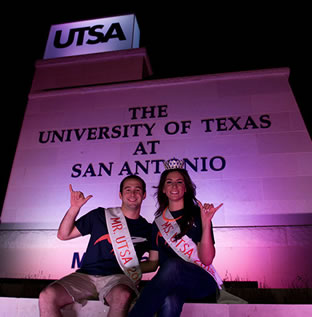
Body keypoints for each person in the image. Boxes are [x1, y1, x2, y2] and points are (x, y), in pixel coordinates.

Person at [39, 175, 152, 317]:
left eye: (137, 190)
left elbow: (153, 263)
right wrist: (74, 208)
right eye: (127, 189)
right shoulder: (100, 215)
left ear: (144, 195)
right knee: (47, 295)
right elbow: (63, 235)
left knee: (123, 296)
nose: (132, 194)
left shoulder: (148, 229)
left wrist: (133, 270)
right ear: (120, 194)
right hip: (85, 276)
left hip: (118, 279)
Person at [128, 158, 223, 317]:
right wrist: (128, 269)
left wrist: (206, 223)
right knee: (170, 301)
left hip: (200, 281)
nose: (174, 186)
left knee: (173, 265)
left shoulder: (198, 216)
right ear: (163, 189)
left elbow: (206, 260)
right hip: (172, 286)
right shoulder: (158, 224)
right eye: (169, 182)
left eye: (179, 182)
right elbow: (153, 263)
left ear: (185, 187)